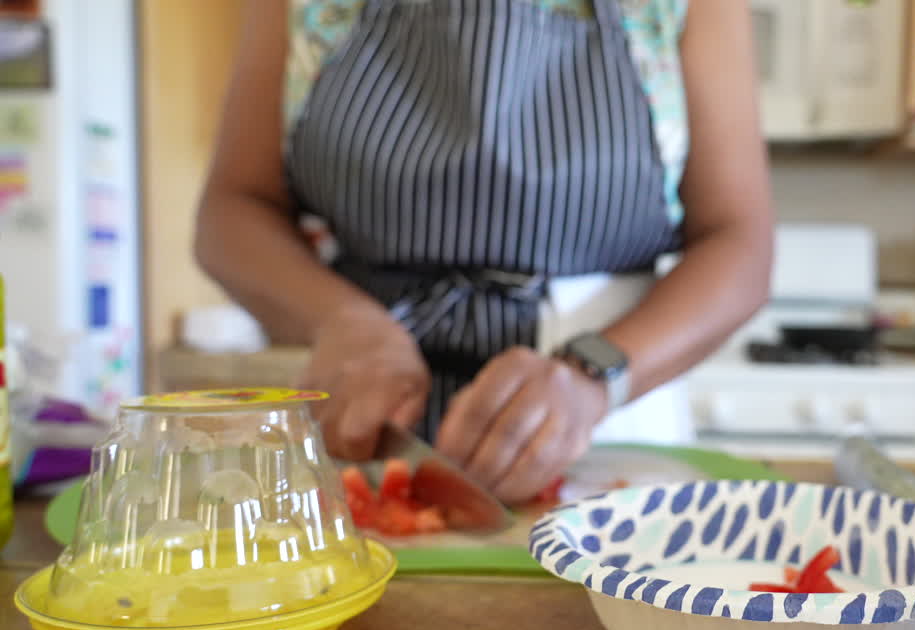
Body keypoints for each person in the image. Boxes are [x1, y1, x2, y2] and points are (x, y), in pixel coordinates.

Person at [195, 0, 773, 504]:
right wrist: (341, 320)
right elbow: (232, 212)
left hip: (608, 431)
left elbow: (739, 242)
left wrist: (595, 374)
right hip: (369, 420)